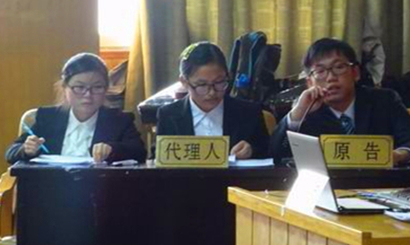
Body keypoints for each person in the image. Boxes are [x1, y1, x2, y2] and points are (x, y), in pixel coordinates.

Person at [269, 38, 410, 165]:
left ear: (355, 73)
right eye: (320, 71)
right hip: (329, 190)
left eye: (339, 67)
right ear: (310, 82)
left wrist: (396, 156)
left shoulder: (384, 101)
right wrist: (297, 115)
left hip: (380, 187)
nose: (331, 77)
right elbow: (275, 154)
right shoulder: (306, 110)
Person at [6, 53, 147, 164]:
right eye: (79, 87)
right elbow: (11, 153)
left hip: (101, 189)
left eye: (97, 87)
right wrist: (26, 149)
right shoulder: (47, 118)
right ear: (65, 88)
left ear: (106, 89)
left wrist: (112, 149)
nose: (88, 95)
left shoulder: (119, 120)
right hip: (50, 188)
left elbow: (140, 152)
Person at [156, 42, 269, 159]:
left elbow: (267, 152)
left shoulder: (249, 112)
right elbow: (157, 160)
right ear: (184, 82)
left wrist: (251, 151)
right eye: (202, 85)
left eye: (219, 82)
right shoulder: (168, 115)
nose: (212, 93)